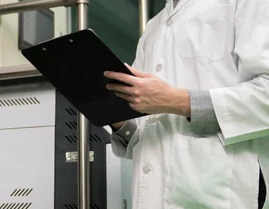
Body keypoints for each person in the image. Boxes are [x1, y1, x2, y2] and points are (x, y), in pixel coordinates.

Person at [104, 0, 269, 208]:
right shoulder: (154, 27)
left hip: (218, 192)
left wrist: (177, 101)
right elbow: (149, 126)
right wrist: (118, 120)